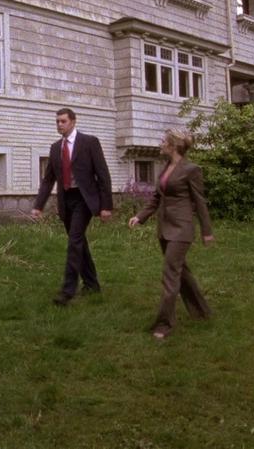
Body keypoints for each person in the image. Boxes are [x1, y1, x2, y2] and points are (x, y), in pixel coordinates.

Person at [128, 129, 214, 340]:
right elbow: (156, 198)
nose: (161, 144)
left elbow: (199, 201)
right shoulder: (166, 168)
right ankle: (202, 311)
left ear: (173, 146)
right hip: (164, 228)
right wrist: (140, 216)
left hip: (181, 229)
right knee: (181, 271)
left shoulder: (191, 169)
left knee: (170, 274)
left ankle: (165, 323)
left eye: (164, 141)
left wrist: (207, 231)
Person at [31, 108, 113, 306]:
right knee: (79, 242)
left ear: (73, 122)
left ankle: (67, 291)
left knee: (74, 241)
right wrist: (38, 206)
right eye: (57, 121)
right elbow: (48, 179)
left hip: (84, 199)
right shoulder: (55, 148)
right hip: (66, 200)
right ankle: (92, 284)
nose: (59, 125)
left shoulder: (89, 142)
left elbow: (103, 174)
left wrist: (106, 206)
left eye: (63, 121)